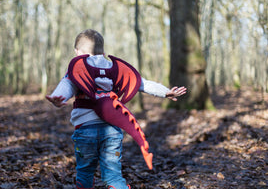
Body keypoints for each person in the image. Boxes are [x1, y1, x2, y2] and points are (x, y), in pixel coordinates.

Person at [46, 29, 187, 189]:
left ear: (77, 52)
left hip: (86, 131)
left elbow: (66, 84)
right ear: (103, 51)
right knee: (113, 176)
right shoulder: (115, 69)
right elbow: (141, 82)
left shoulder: (77, 69)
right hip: (112, 131)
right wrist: (165, 92)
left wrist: (58, 97)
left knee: (85, 173)